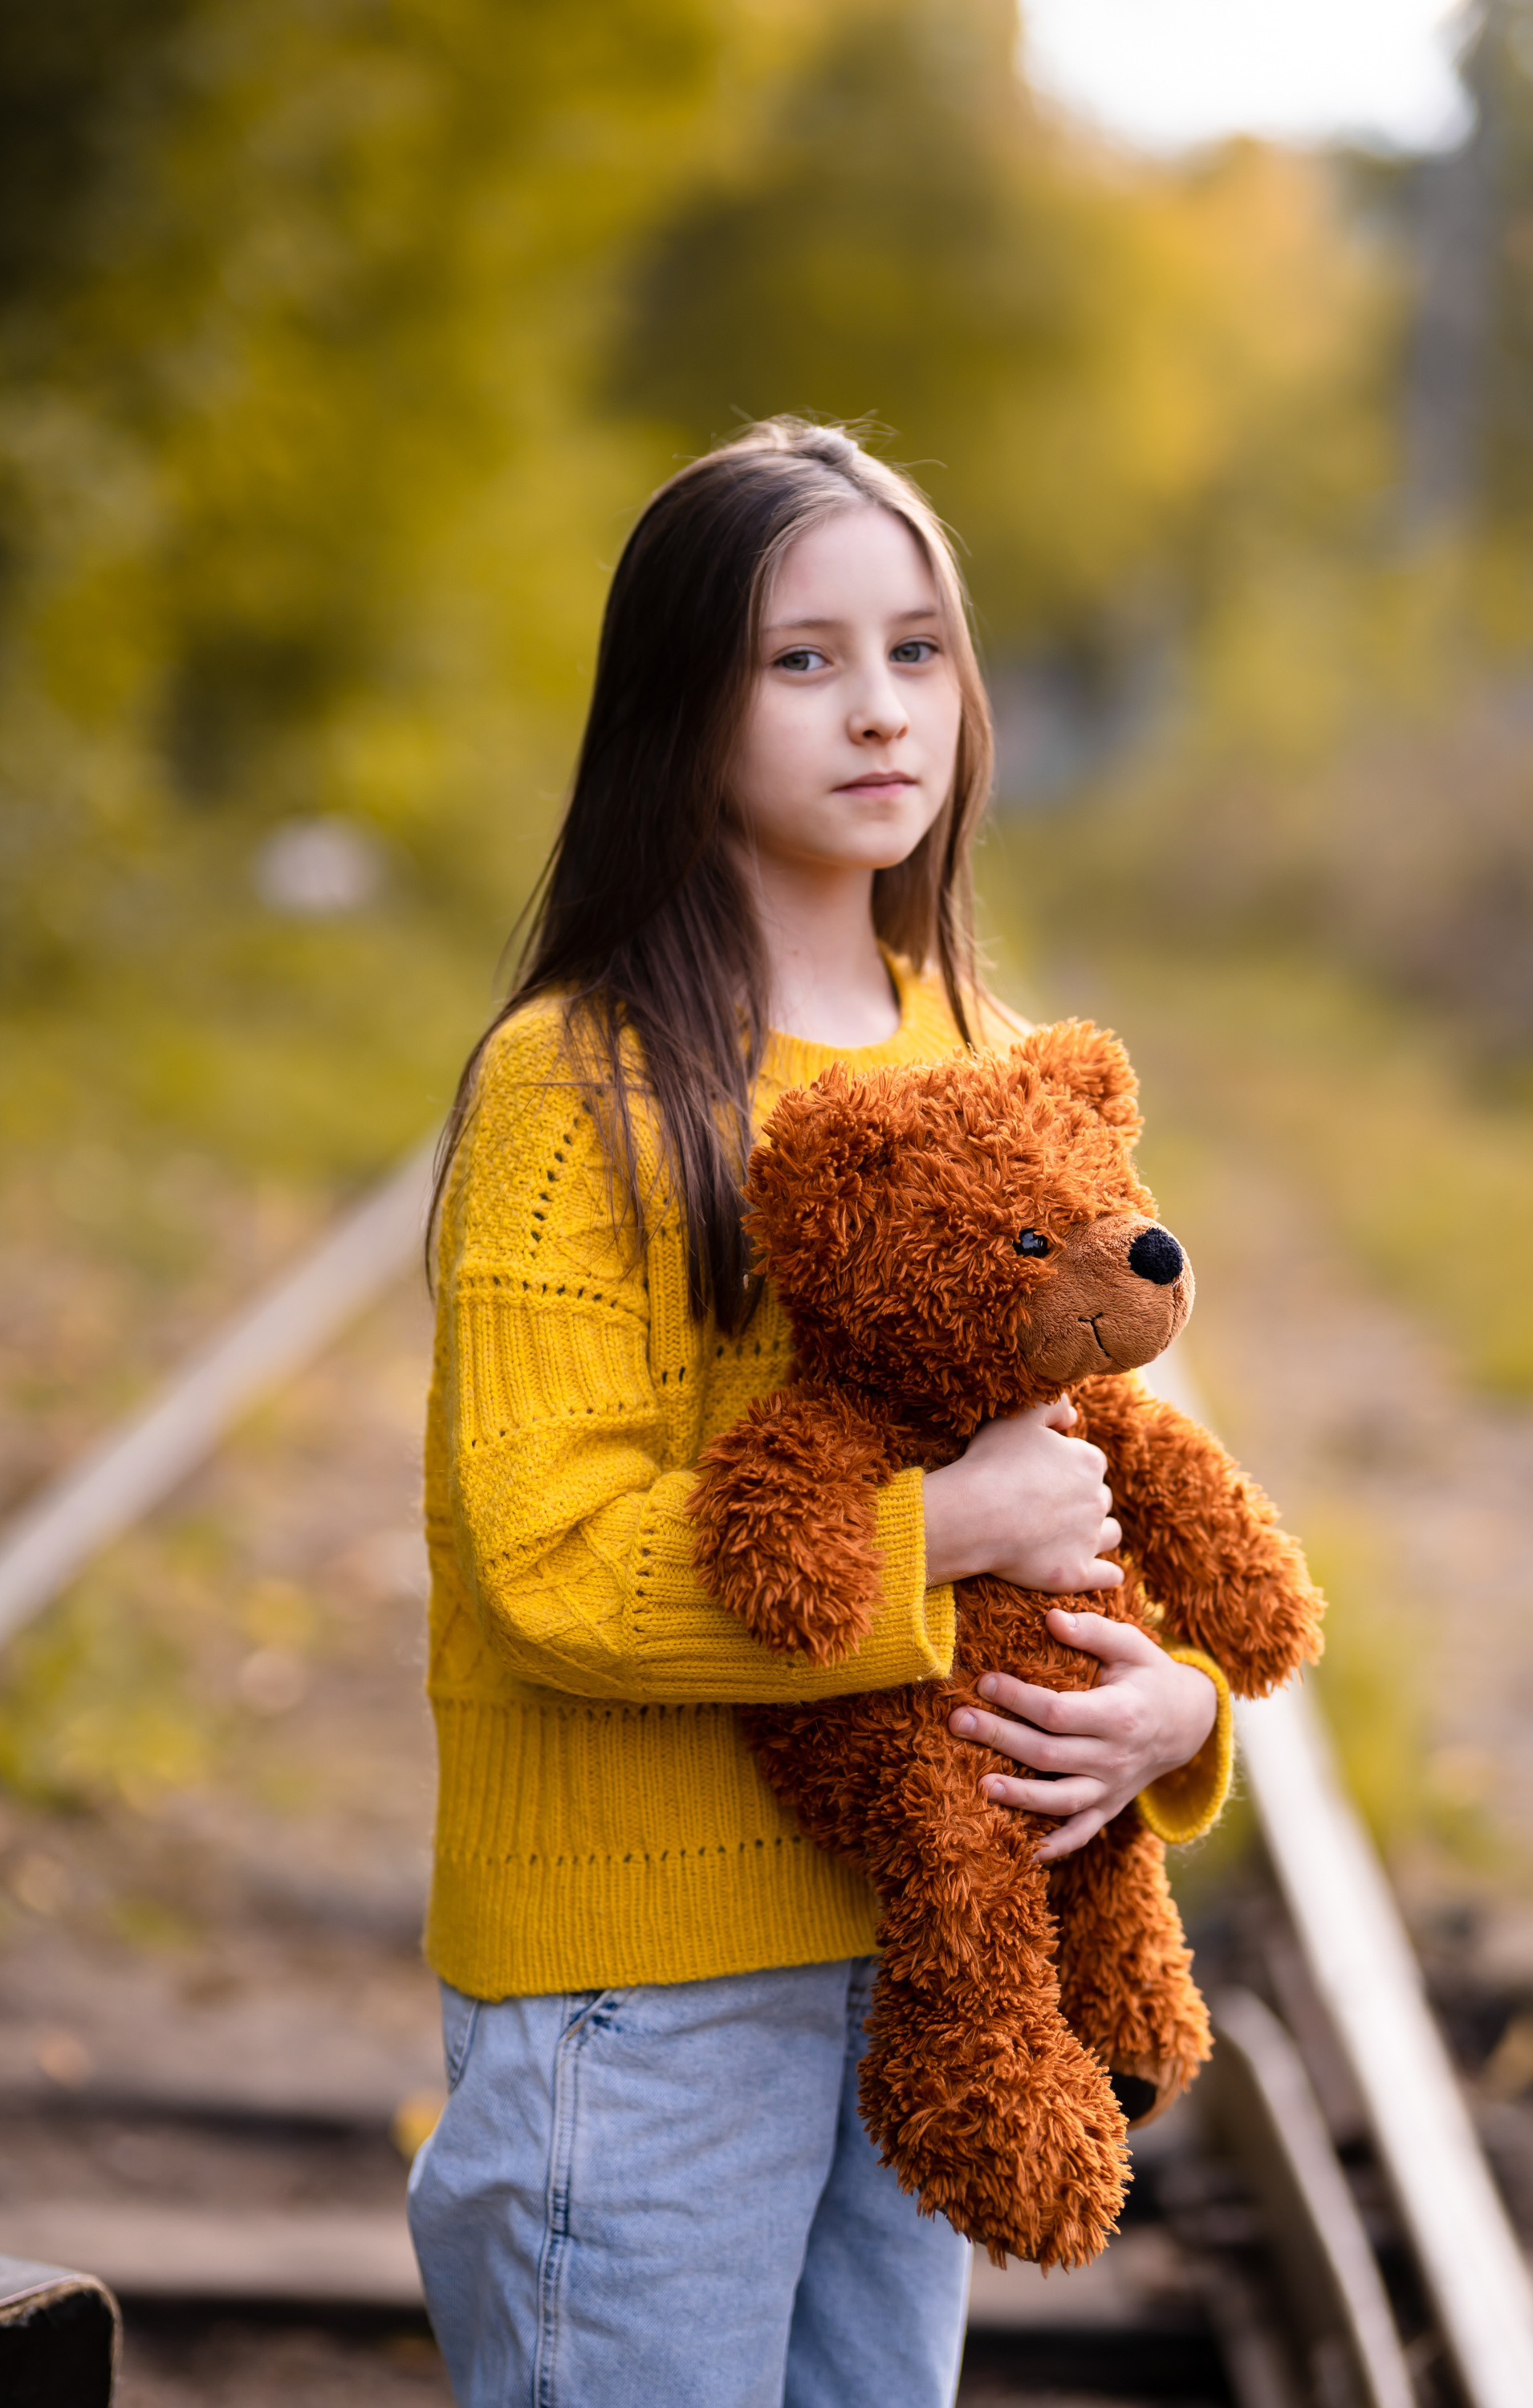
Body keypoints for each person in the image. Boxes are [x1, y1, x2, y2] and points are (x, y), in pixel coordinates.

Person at [407, 420, 1230, 2408]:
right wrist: (943, 1538)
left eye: (917, 650)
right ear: (679, 706)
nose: (881, 709)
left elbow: (1117, 1479)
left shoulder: (1001, 1060)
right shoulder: (577, 1083)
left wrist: (1176, 1715)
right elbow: (547, 1565)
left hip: (933, 1957)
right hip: (644, 1995)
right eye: (803, 660)